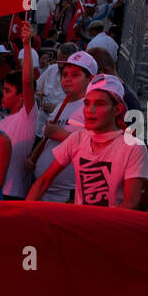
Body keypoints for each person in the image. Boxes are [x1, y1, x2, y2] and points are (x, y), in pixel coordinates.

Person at [21, 74, 148, 296]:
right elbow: (44, 179)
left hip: (114, 241)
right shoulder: (78, 140)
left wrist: (102, 233)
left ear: (117, 109)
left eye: (99, 104)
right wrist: (25, 213)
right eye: (88, 103)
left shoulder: (133, 147)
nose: (90, 110)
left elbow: (132, 201)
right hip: (78, 237)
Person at [25, 49, 95, 203]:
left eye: (75, 75)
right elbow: (48, 138)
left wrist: (60, 134)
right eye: (65, 74)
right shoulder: (61, 105)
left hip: (66, 197)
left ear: (90, 80)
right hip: (44, 190)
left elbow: (97, 146)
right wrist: (33, 158)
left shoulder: (92, 108)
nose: (67, 78)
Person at [0, 23, 41, 200]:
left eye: (8, 90)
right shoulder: (1, 121)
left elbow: (27, 82)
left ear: (22, 96)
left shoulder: (27, 116)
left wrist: (26, 45)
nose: (3, 94)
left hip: (14, 194)